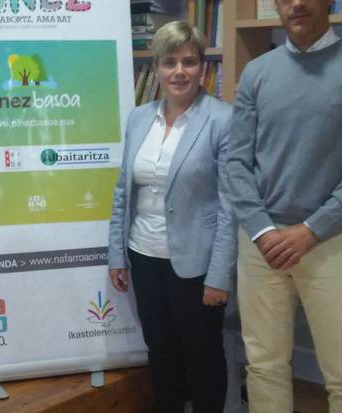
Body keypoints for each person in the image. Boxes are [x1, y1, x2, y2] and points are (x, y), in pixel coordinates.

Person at [226, 0, 342, 411]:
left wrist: (311, 231)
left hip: (333, 243)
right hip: (262, 245)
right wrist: (262, 230)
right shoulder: (257, 72)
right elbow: (236, 161)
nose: (297, 3)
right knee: (263, 366)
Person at [108, 21, 236, 413]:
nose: (179, 72)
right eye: (169, 62)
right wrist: (116, 253)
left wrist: (219, 276)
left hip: (197, 265)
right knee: (160, 352)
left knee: (203, 357)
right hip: (144, 256)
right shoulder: (138, 118)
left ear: (202, 67)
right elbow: (123, 190)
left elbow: (231, 206)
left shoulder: (222, 120)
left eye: (189, 62)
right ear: (158, 67)